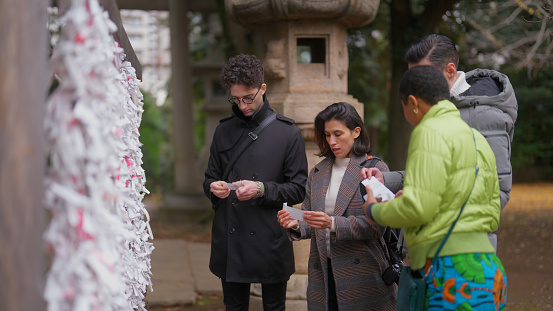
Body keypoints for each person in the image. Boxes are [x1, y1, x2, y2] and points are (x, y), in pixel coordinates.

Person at [363, 66, 507, 310]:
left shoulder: (429, 131)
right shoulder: (476, 138)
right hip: (487, 269)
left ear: (412, 102)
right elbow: (491, 206)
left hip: (449, 272)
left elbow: (418, 209)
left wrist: (373, 210)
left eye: (403, 106)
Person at [367, 34, 517, 251]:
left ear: (450, 70)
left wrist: (416, 207)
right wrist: (387, 180)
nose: (415, 87)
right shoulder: (433, 111)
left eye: (423, 76)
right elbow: (442, 176)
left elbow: (497, 192)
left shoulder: (484, 116)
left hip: (457, 253)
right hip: (434, 249)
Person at [203, 54, 308, 311]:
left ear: (263, 88)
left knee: (274, 307)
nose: (242, 105)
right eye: (235, 99)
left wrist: (261, 189)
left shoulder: (288, 133)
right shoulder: (223, 130)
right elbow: (209, 178)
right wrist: (214, 188)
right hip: (231, 237)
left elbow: (298, 188)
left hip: (269, 236)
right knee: (234, 306)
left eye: (248, 98)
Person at [277, 102, 396, 311]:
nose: (332, 141)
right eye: (327, 135)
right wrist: (296, 222)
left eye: (338, 134)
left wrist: (332, 223)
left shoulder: (375, 168)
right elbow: (309, 215)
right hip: (323, 273)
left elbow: (378, 225)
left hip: (363, 276)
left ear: (356, 132)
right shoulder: (318, 171)